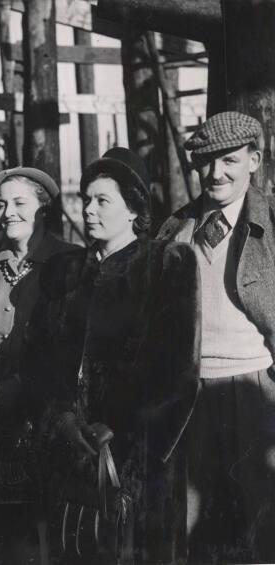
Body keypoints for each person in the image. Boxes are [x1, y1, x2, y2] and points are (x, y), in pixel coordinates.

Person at [27, 148, 200, 563]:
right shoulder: (63, 271)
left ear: (133, 209)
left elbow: (177, 372)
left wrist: (119, 433)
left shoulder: (167, 264)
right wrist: (64, 420)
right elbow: (38, 358)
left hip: (137, 461)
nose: (89, 210)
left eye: (102, 200)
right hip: (70, 452)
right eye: (86, 199)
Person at [157, 111, 275, 562]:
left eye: (228, 159)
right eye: (205, 161)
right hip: (191, 398)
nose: (215, 173)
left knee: (263, 525)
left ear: (254, 160)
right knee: (198, 532)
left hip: (256, 389)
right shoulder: (176, 228)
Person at [0, 167, 77, 560]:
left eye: (18, 203)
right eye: (1, 204)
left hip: (52, 415)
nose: (7, 212)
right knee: (8, 532)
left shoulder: (69, 261)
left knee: (55, 530)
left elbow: (72, 345)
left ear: (43, 209)